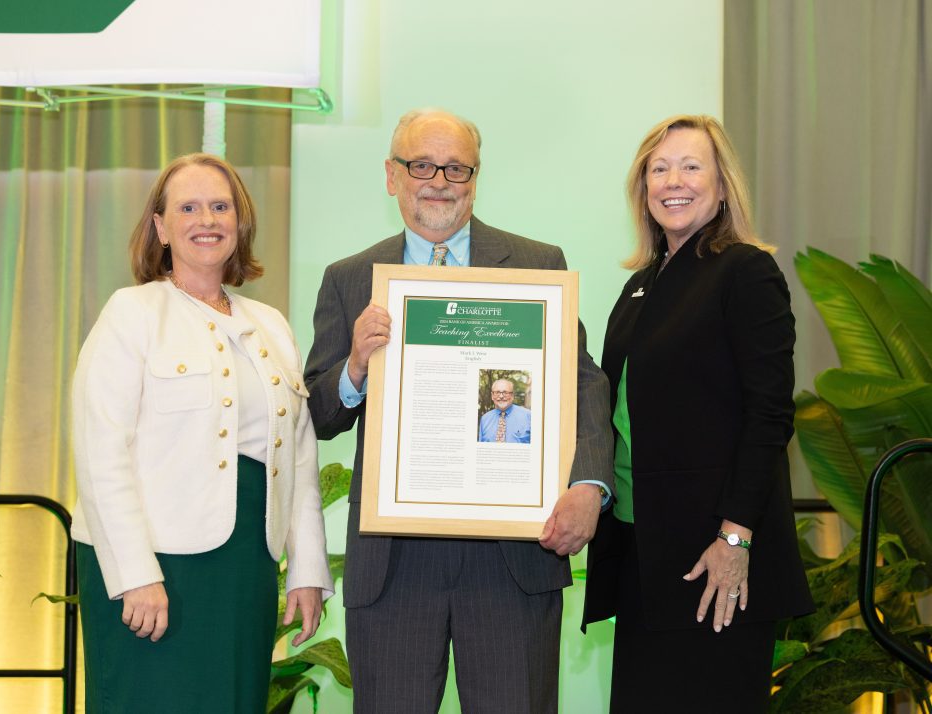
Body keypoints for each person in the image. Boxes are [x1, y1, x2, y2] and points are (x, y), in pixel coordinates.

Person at [304, 108, 614, 713]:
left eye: (457, 168)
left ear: (476, 177)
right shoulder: (350, 278)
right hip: (395, 566)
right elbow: (317, 413)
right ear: (392, 175)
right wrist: (355, 368)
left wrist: (588, 485)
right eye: (422, 165)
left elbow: (584, 382)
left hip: (512, 560)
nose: (439, 182)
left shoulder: (538, 264)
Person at [70, 153, 334, 713]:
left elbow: (299, 460)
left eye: (220, 206)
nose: (207, 220)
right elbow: (100, 451)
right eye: (187, 208)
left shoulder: (271, 325)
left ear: (240, 222)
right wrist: (135, 574)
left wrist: (307, 569)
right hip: (154, 564)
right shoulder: (132, 313)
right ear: (161, 227)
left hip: (245, 567)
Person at [581, 115, 813, 712]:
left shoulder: (745, 271)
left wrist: (734, 537)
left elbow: (769, 414)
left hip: (714, 558)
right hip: (641, 550)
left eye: (690, 166)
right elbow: (616, 408)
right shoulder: (640, 287)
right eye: (658, 169)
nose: (673, 181)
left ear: (722, 184)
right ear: (643, 189)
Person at [478, 378, 531, 443]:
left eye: (505, 392)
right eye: (497, 392)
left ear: (512, 396)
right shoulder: (485, 419)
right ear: (492, 396)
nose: (501, 396)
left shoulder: (528, 416)